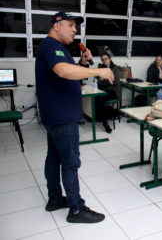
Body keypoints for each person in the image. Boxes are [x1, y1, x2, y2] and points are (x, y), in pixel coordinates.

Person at [35, 12, 114, 223]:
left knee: (54, 157)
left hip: (55, 114)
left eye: (75, 27)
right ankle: (76, 209)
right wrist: (99, 71)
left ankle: (54, 199)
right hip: (62, 115)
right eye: (70, 25)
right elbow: (62, 71)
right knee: (70, 162)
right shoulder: (51, 45)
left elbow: (69, 71)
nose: (74, 30)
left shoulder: (56, 47)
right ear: (57, 24)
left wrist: (82, 62)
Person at [96, 52, 122, 133]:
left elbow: (115, 82)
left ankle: (104, 121)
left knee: (101, 97)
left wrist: (103, 80)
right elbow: (98, 83)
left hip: (114, 91)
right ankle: (106, 117)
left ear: (110, 59)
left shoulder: (115, 68)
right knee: (98, 97)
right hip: (104, 91)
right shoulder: (101, 69)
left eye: (106, 59)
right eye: (102, 59)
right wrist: (108, 80)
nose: (104, 61)